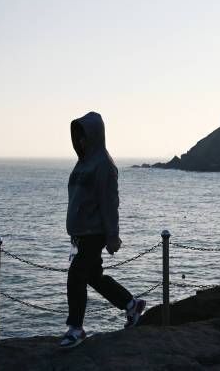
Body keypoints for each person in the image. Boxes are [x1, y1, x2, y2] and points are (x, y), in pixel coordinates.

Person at [60, 111, 146, 349]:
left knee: (76, 277)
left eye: (83, 136)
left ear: (94, 135)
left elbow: (110, 203)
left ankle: (75, 329)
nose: (80, 141)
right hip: (81, 234)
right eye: (77, 136)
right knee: (93, 277)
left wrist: (113, 236)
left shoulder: (104, 166)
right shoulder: (84, 162)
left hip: (93, 232)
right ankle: (131, 305)